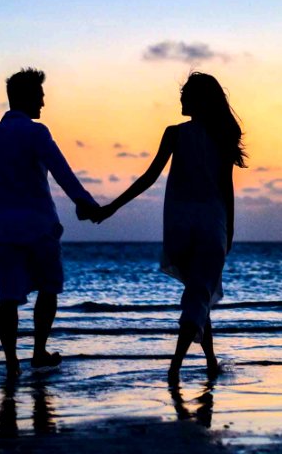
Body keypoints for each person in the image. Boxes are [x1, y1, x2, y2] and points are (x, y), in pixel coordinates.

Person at [96, 72, 246, 384]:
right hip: (211, 225)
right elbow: (226, 189)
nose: (180, 99)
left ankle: (211, 361)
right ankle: (175, 369)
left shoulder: (174, 134)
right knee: (198, 294)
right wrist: (229, 231)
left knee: (198, 293)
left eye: (185, 95)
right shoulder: (221, 136)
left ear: (198, 100)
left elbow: (149, 178)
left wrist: (112, 207)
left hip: (179, 228)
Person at [0, 67, 100, 378]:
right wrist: (84, 203)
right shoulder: (36, 132)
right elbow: (61, 170)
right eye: (40, 96)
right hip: (37, 225)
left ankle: (10, 361)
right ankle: (38, 352)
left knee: (8, 296)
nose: (43, 103)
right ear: (27, 96)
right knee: (48, 289)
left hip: (3, 225)